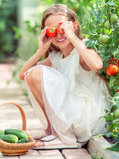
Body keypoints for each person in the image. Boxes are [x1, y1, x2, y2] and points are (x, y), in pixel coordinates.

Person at [19, 4, 110, 148]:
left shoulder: (83, 48)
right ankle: (52, 129)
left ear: (74, 26)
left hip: (90, 118)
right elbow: (24, 75)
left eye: (63, 28)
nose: (60, 34)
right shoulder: (57, 56)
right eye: (53, 30)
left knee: (37, 72)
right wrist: (40, 50)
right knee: (33, 74)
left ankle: (64, 138)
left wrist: (72, 37)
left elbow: (97, 65)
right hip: (75, 117)